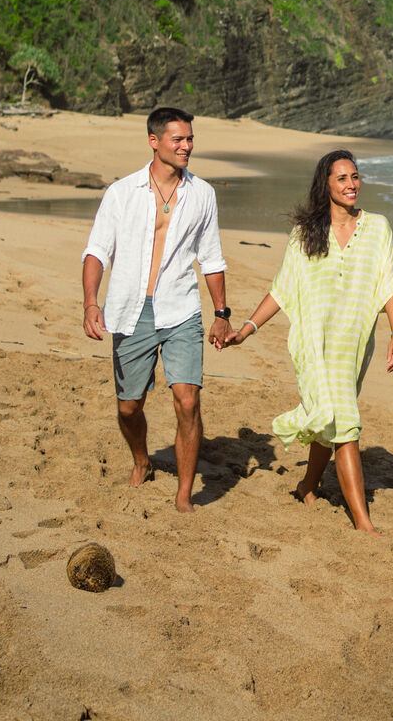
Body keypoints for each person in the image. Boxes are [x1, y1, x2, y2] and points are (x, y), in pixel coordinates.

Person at [224, 150, 393, 535]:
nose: (352, 184)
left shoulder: (377, 227)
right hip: (315, 343)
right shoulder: (305, 233)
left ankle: (308, 485)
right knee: (345, 422)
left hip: (354, 342)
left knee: (331, 414)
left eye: (355, 176)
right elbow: (282, 289)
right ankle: (363, 522)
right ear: (326, 184)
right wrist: (246, 329)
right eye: (342, 178)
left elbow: (389, 283)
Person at [81, 106, 232, 514]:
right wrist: (91, 303)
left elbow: (211, 258)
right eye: (178, 139)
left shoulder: (202, 194)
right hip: (130, 309)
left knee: (188, 401)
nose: (187, 146)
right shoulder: (121, 193)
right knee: (129, 407)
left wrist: (221, 314)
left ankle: (184, 493)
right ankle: (142, 460)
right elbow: (97, 252)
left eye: (190, 139)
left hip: (181, 308)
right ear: (154, 141)